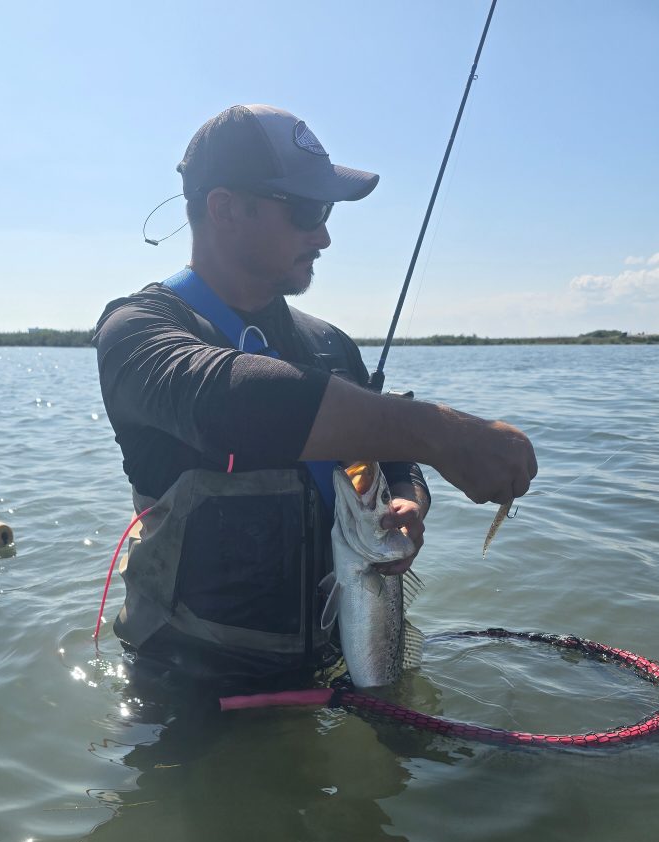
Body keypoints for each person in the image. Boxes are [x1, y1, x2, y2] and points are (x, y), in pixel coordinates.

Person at [94, 104, 536, 689]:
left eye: (326, 212)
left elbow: (391, 452)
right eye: (305, 210)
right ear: (225, 208)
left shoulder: (328, 344)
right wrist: (445, 434)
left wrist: (408, 498)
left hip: (341, 661)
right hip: (190, 691)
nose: (324, 234)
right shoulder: (138, 332)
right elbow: (231, 404)